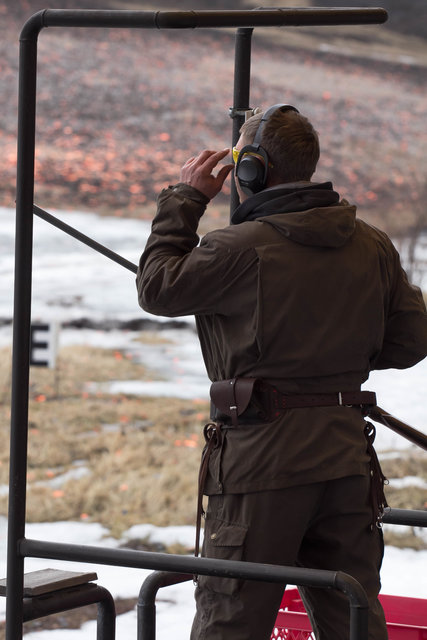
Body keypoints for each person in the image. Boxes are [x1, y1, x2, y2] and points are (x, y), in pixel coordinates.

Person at [136, 104, 427, 640]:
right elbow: (410, 340)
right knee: (353, 620)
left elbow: (156, 287)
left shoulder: (234, 248)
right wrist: (334, 358)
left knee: (231, 619)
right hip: (345, 461)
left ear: (250, 171)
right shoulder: (372, 244)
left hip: (260, 465)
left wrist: (186, 198)